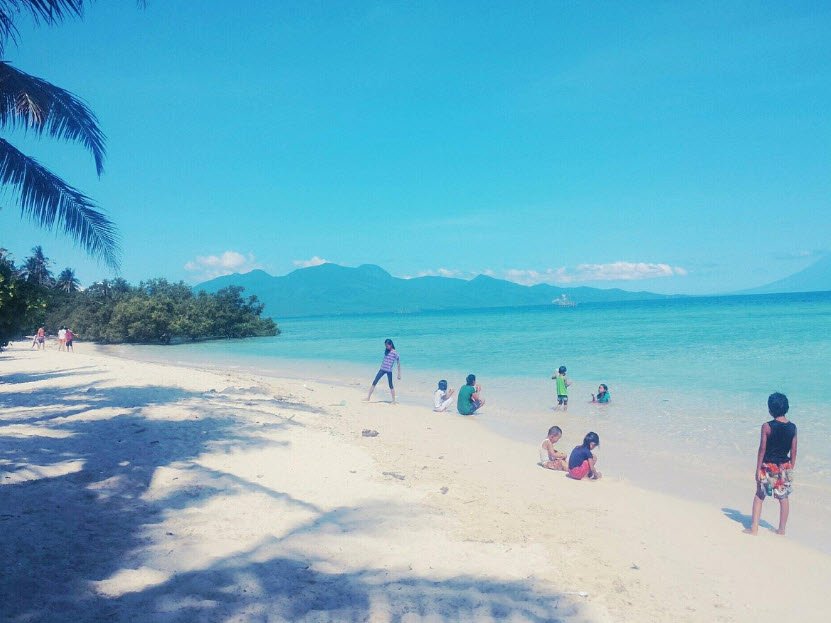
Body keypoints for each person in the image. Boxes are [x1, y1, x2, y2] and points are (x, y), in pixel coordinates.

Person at [744, 392, 797, 536]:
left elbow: (762, 449)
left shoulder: (766, 426)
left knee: (759, 496)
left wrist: (757, 468)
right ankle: (781, 530)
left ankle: (754, 528)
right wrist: (791, 467)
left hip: (768, 466)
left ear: (770, 410)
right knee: (783, 498)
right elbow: (794, 450)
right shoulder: (793, 427)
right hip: (784, 466)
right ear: (786, 408)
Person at [365, 339, 401, 403]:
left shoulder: (394, 352)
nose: (386, 347)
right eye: (385, 346)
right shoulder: (386, 351)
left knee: (390, 385)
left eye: (387, 346)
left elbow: (398, 363)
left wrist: (399, 374)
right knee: (374, 381)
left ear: (391, 344)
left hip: (389, 371)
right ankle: (368, 397)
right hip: (382, 369)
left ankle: (393, 400)